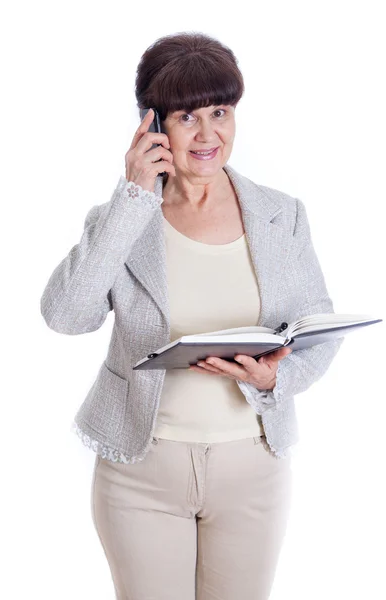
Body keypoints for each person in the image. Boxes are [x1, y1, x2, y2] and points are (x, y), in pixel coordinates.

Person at [40, 31, 343, 600]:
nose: (209, 135)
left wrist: (277, 376)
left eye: (221, 112)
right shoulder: (123, 220)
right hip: (141, 474)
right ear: (152, 126)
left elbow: (317, 329)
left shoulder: (282, 216)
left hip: (251, 469)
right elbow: (66, 315)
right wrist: (133, 198)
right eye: (187, 118)